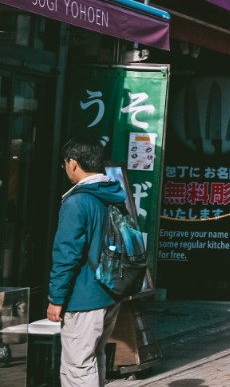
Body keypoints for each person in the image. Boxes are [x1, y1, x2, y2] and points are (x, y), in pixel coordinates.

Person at [48, 139, 127, 387]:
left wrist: (56, 299)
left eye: (65, 164)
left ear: (73, 163)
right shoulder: (112, 194)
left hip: (84, 297)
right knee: (96, 356)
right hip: (110, 291)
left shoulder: (77, 201)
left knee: (78, 365)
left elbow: (66, 255)